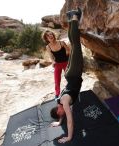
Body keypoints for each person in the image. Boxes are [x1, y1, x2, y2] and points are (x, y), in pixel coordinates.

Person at [50, 7, 83, 144]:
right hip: (69, 74)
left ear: (59, 110)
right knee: (74, 45)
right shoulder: (60, 101)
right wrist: (59, 122)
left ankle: (74, 17)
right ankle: (70, 19)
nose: (64, 113)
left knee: (76, 45)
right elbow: (63, 116)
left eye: (60, 114)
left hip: (74, 73)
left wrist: (69, 137)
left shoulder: (63, 102)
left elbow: (69, 119)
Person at [42, 30, 70, 100]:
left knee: (69, 77)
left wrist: (67, 52)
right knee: (57, 80)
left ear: (53, 35)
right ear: (46, 38)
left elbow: (68, 51)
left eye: (51, 34)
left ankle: (71, 90)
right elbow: (51, 56)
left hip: (66, 63)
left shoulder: (61, 43)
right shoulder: (48, 47)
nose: (50, 36)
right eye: (48, 35)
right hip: (57, 64)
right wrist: (53, 61)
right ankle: (57, 94)